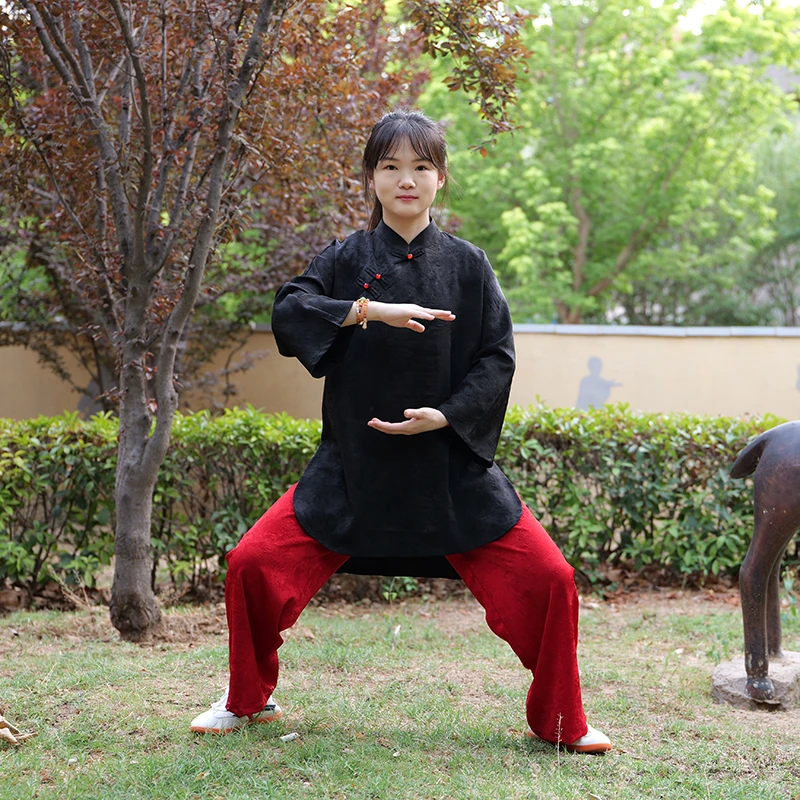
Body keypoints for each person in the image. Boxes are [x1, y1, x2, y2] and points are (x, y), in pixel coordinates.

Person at [190, 110, 611, 754]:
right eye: (391, 166)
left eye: (421, 167)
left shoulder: (470, 266)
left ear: (441, 177)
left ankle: (562, 720)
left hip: (450, 471)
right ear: (372, 177)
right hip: (353, 469)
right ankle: (248, 698)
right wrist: (365, 309)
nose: (406, 180)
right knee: (251, 563)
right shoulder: (345, 258)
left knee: (551, 578)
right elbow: (289, 312)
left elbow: (497, 357)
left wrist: (445, 415)